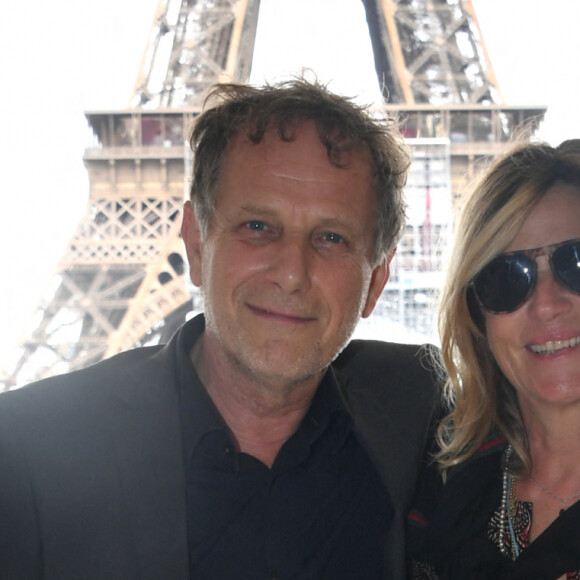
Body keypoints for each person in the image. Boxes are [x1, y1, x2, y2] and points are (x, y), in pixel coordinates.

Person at [0, 79, 440, 580]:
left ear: (375, 281)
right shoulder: (27, 452)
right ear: (195, 243)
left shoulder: (421, 412)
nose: (291, 272)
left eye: (332, 237)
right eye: (257, 227)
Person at [407, 139, 580, 579]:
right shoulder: (437, 483)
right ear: (477, 316)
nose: (548, 304)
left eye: (576, 263)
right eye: (505, 279)